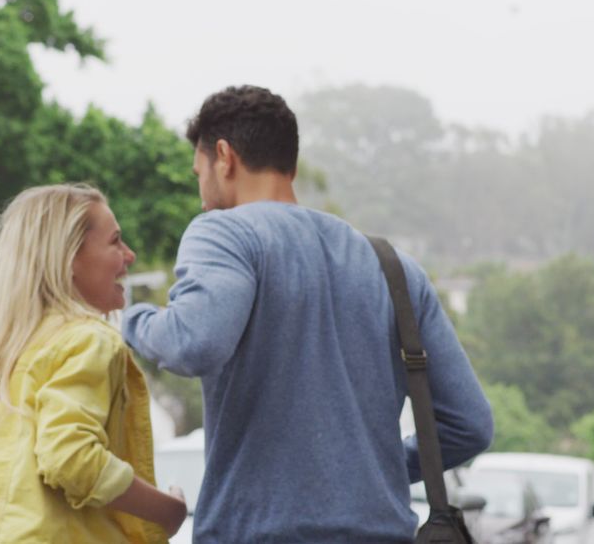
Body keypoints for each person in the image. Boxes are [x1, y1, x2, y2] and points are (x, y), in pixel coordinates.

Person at [121, 86, 494, 542]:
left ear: (224, 156)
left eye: (199, 174)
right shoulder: (393, 267)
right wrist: (366, 471)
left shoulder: (224, 234)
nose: (202, 197)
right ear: (290, 165)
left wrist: (128, 318)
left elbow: (192, 343)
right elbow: (469, 425)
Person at [0, 184, 187, 543]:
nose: (129, 256)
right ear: (68, 259)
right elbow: (71, 458)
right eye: (115, 242)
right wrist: (167, 511)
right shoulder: (85, 339)